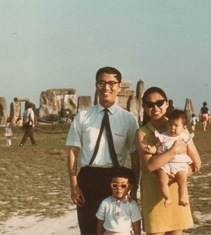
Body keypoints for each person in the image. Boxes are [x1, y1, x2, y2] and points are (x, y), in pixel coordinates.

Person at [66, 66, 140, 235]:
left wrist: (134, 188)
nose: (106, 87)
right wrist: (74, 184)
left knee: (116, 230)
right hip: (88, 179)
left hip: (116, 179)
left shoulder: (128, 119)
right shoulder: (83, 117)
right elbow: (72, 152)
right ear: (96, 85)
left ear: (119, 86)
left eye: (112, 83)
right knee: (89, 229)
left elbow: (135, 157)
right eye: (102, 82)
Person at [136, 87, 201, 234]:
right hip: (153, 190)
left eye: (159, 103)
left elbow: (196, 161)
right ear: (145, 107)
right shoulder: (142, 133)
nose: (155, 108)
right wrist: (173, 151)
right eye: (150, 104)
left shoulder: (179, 127)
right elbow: (149, 166)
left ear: (167, 104)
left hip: (177, 189)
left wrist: (183, 173)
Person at [144, 109, 200, 207]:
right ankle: (167, 197)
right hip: (164, 164)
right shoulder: (163, 136)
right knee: (162, 181)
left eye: (176, 125)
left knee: (182, 180)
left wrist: (196, 161)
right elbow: (156, 147)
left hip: (179, 164)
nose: (172, 128)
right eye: (170, 125)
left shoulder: (184, 136)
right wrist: (150, 149)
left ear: (184, 127)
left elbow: (191, 150)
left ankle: (182, 197)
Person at [96, 166, 142, 235]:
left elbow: (136, 227)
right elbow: (100, 225)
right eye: (115, 185)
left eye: (123, 185)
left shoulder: (132, 204)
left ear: (130, 187)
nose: (119, 188)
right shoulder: (105, 203)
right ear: (110, 185)